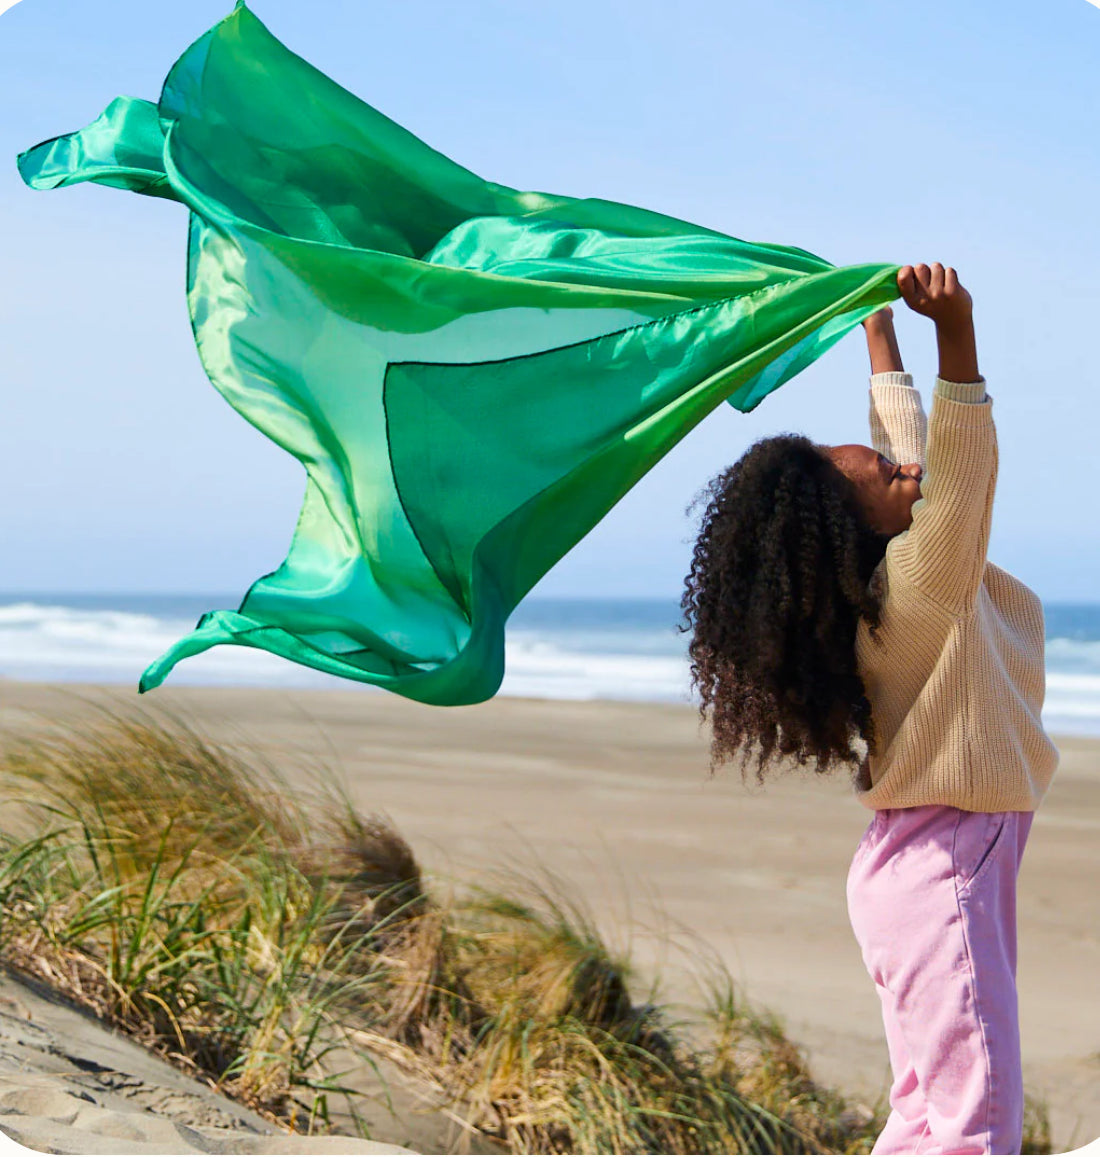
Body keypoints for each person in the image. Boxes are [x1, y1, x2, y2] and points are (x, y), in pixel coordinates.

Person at [681, 263, 1058, 1155]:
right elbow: (959, 475)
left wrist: (882, 339)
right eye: (888, 475)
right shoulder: (922, 582)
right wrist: (956, 333)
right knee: (978, 1115)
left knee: (926, 1108)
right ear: (863, 528)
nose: (908, 467)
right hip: (945, 865)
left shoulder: (878, 593)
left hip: (913, 864)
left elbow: (918, 457)